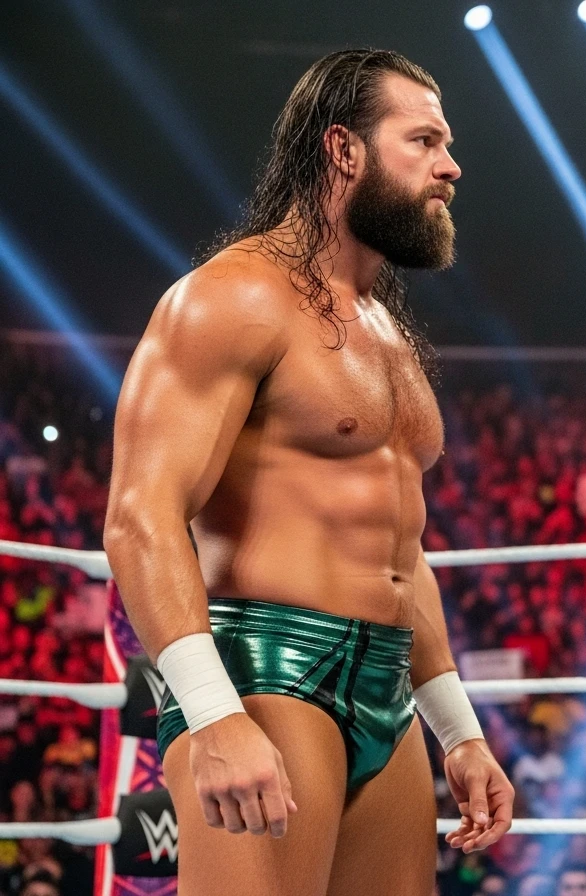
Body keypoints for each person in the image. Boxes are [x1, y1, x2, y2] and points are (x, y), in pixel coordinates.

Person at [103, 49, 514, 896]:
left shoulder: (387, 333)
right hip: (265, 669)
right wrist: (215, 717)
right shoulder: (232, 298)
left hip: (386, 680)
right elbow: (141, 515)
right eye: (425, 140)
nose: (452, 166)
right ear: (344, 150)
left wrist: (460, 731)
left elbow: (405, 555)